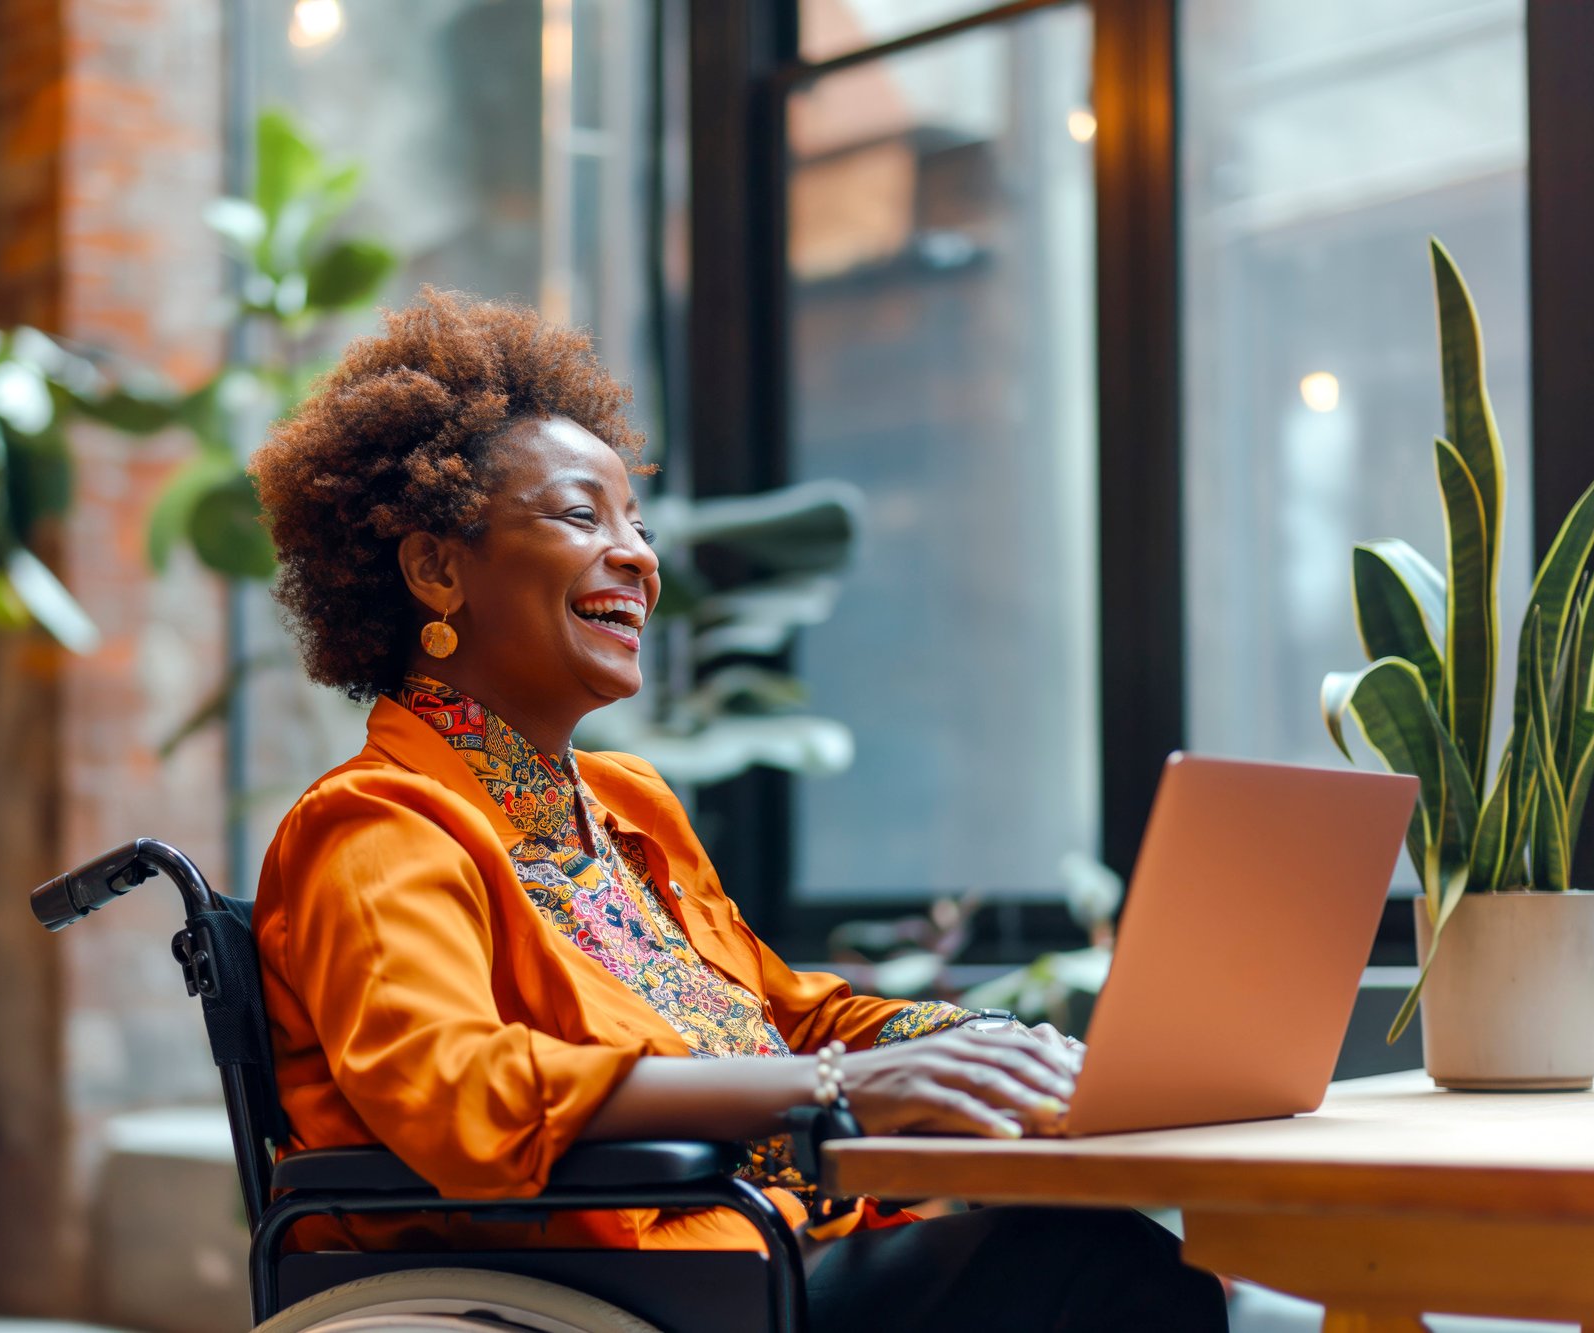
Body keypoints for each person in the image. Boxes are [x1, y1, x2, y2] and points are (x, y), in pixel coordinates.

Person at [247, 289, 1227, 1330]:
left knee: (1116, 1254)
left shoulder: (622, 805)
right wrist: (831, 1087)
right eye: (582, 516)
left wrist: (984, 1042)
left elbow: (786, 1011)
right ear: (437, 568)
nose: (636, 556)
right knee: (1099, 1269)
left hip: (756, 1244)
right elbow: (456, 1087)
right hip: (633, 1280)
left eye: (637, 524)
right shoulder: (371, 826)